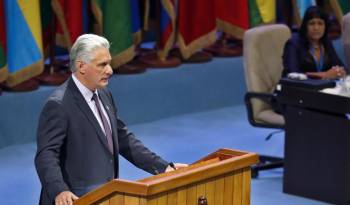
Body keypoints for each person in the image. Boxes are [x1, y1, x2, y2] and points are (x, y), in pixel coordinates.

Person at [35, 34, 186, 205]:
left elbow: (123, 139)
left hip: (106, 196)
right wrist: (60, 190)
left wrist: (163, 167)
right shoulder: (59, 104)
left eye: (109, 63)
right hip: (76, 200)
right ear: (81, 66)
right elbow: (46, 155)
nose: (110, 70)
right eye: (102, 65)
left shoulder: (104, 94)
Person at [282, 6, 347, 80]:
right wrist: (325, 75)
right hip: (297, 89)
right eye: (312, 23)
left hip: (322, 88)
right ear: (305, 26)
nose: (316, 28)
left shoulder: (325, 42)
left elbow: (341, 66)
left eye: (320, 23)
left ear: (325, 26)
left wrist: (339, 71)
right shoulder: (293, 43)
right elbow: (293, 74)